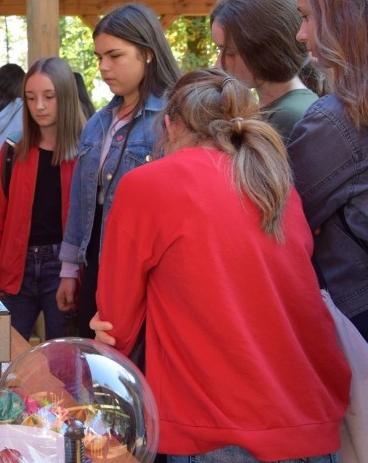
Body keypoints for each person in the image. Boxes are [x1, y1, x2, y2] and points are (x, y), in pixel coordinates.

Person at [91, 68, 350, 462]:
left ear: (169, 126)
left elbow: (116, 325)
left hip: (217, 428)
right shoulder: (274, 183)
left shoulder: (149, 185)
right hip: (310, 422)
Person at [56, 3, 181, 338]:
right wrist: (69, 269)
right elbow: (82, 205)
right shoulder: (98, 123)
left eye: (115, 56)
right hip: (95, 266)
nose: (103, 67)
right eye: (99, 57)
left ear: (148, 53)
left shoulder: (174, 120)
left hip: (146, 275)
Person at [284, 0, 368, 340]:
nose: (302, 34)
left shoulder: (339, 121)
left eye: (307, 15)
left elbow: (278, 221)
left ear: (345, 15)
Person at [0, 57, 83, 341]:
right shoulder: (12, 152)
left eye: (48, 97)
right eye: (30, 97)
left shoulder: (86, 152)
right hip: (15, 267)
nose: (39, 106)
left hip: (64, 268)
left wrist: (73, 272)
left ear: (65, 96)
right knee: (2, 355)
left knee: (63, 362)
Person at [210, 0, 325, 140]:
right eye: (218, 49)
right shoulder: (276, 109)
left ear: (267, 50)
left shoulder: (289, 117)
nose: (219, 64)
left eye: (230, 53)